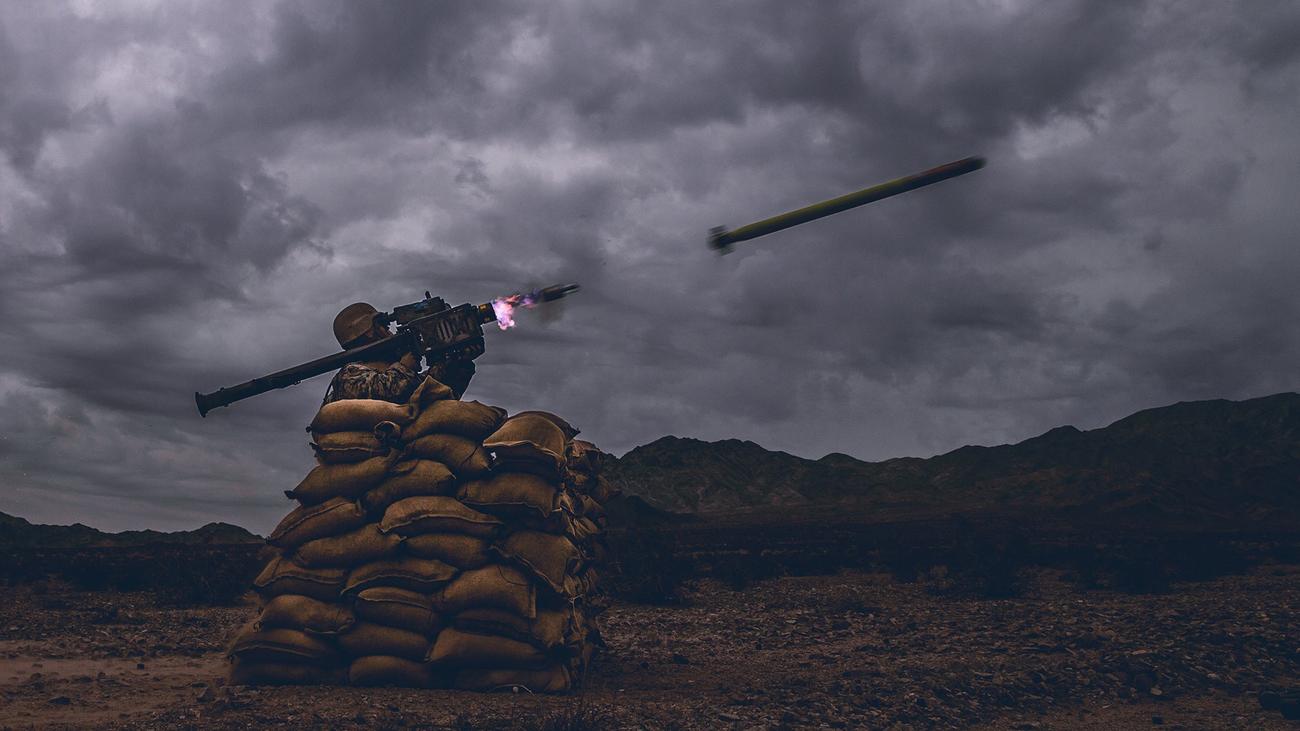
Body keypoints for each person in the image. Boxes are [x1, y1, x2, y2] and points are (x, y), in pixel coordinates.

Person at [322, 302, 475, 404]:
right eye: (384, 326)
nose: (390, 332)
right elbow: (389, 392)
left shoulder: (395, 375)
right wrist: (405, 367)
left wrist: (458, 361)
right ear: (370, 332)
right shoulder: (349, 376)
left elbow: (432, 391)